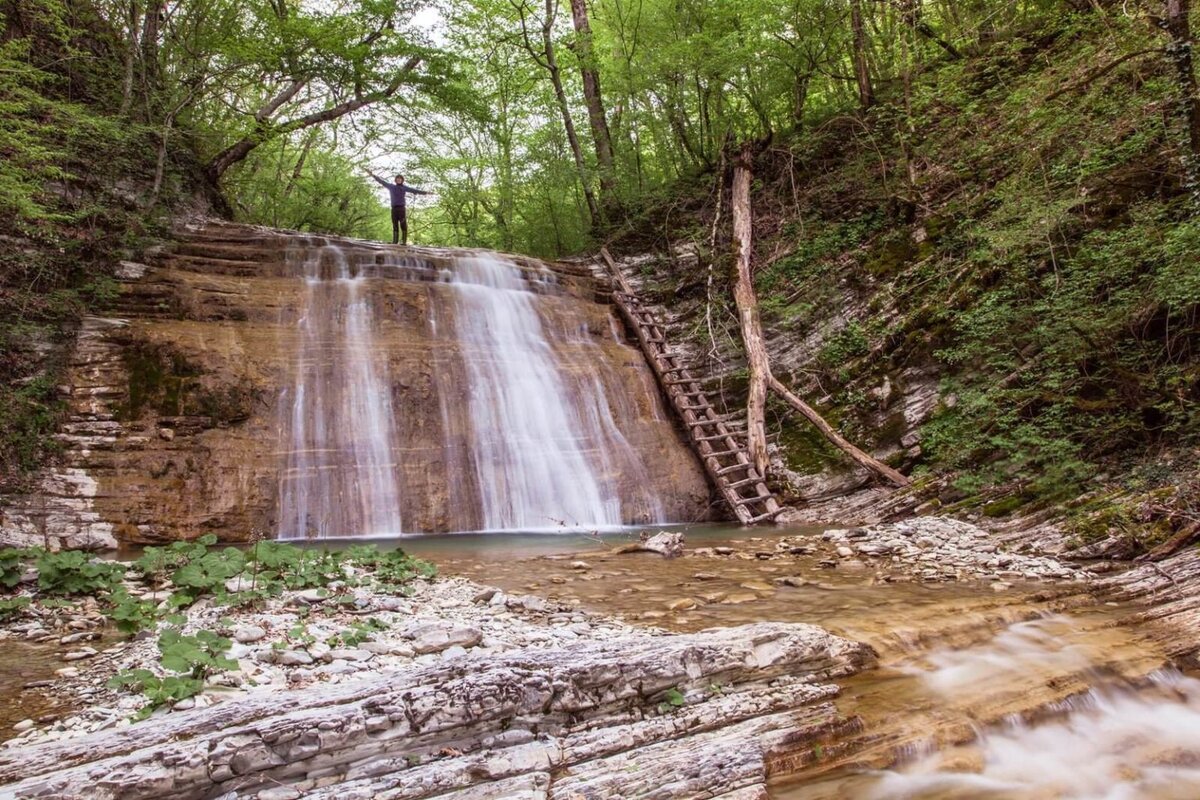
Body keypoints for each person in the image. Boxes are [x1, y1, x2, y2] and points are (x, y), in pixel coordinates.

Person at [368, 171, 433, 245]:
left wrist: (426, 193)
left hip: (401, 209)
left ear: (402, 180)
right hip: (394, 209)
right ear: (395, 180)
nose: (399, 180)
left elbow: (414, 190)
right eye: (397, 179)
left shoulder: (404, 188)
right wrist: (373, 175)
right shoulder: (391, 187)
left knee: (403, 224)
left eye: (400, 179)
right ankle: (395, 241)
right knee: (395, 224)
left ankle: (404, 242)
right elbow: (382, 182)